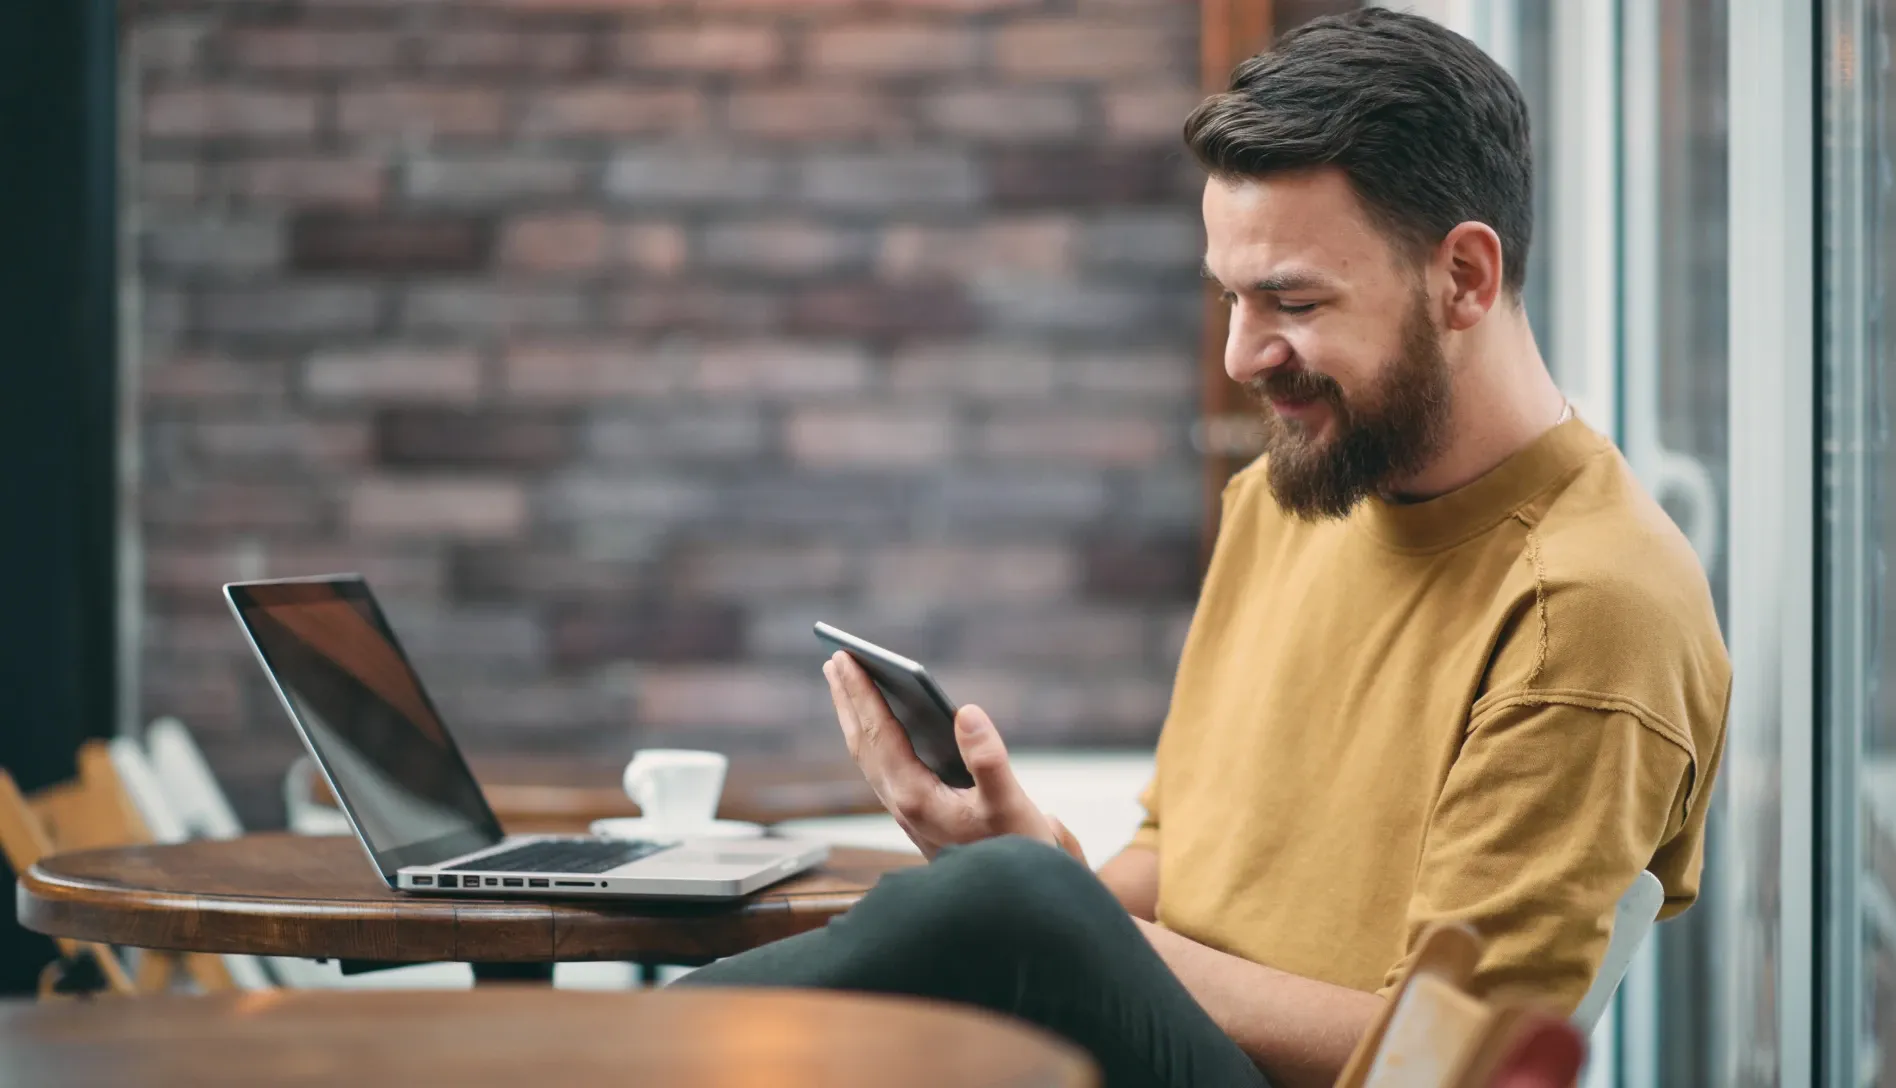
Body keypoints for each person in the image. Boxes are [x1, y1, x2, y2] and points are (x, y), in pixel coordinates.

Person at [679, 10, 1730, 1088]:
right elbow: (1177, 861)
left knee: (1006, 909)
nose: (1240, 354)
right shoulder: (1287, 497)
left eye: (1293, 300)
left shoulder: (1590, 606)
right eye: (1229, 295)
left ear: (1462, 276)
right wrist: (1031, 861)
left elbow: (1451, 1059)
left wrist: (1054, 916)